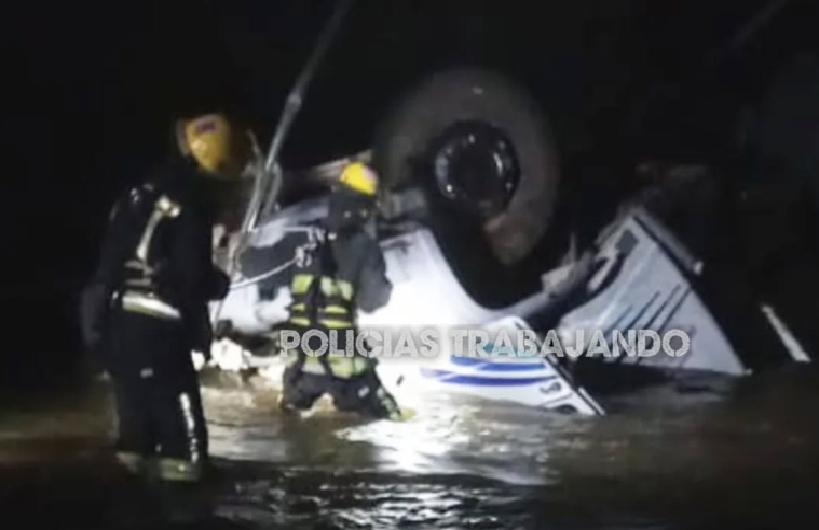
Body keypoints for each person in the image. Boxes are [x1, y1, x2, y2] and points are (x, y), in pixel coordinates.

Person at [80, 112, 255, 483]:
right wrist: (217, 284)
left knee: (135, 441)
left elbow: (109, 266)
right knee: (185, 453)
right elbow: (189, 276)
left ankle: (129, 504)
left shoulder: (136, 195)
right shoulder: (191, 202)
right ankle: (187, 507)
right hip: (159, 334)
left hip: (117, 329)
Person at [242, 161, 401, 419]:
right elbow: (372, 302)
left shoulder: (301, 240)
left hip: (303, 368)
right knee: (391, 419)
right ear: (367, 206)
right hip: (347, 369)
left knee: (288, 421)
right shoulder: (364, 247)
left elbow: (254, 270)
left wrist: (243, 252)